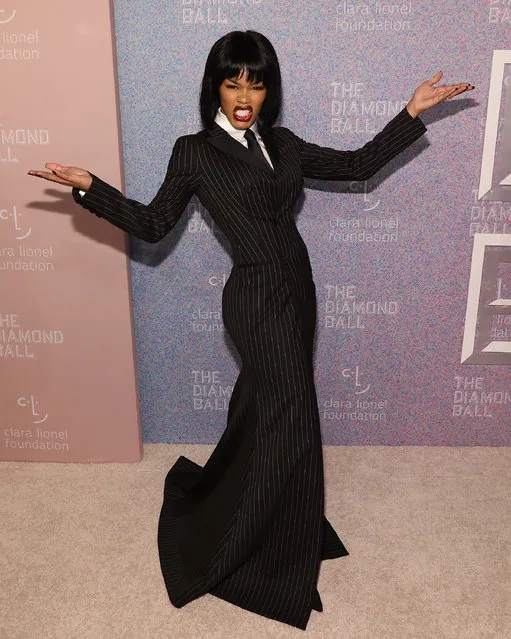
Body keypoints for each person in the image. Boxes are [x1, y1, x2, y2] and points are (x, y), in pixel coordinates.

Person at [28, 30, 473, 630]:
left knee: (273, 411)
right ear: (215, 85)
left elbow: (358, 163)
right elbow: (155, 223)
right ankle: (264, 552)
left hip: (298, 288)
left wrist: (411, 111)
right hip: (255, 296)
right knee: (289, 414)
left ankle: (271, 516)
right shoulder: (194, 151)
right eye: (233, 81)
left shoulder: (283, 144)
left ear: (269, 90)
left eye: (256, 83)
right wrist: (91, 187)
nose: (244, 95)